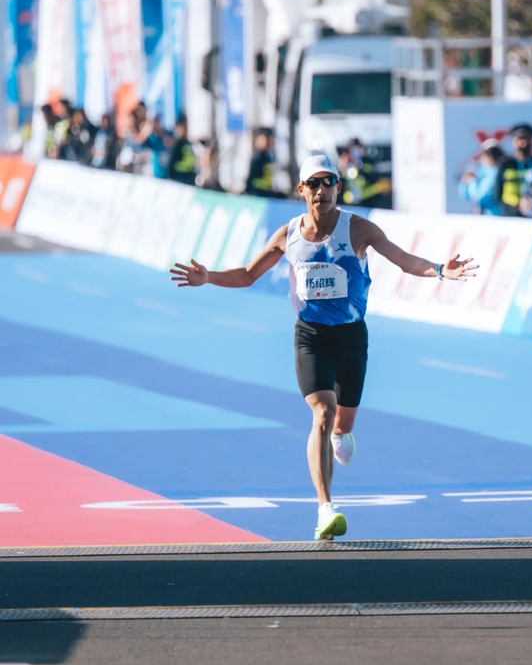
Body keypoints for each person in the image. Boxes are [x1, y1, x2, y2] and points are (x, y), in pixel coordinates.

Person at [170, 154, 478, 541]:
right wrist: (209, 277)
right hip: (311, 336)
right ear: (302, 190)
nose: (321, 190)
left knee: (342, 425)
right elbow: (248, 275)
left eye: (328, 182)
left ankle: (339, 435)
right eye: (314, 184)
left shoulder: (358, 229)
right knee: (322, 412)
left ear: (338, 188)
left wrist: (440, 270)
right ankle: (325, 508)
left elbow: (403, 260)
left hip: (351, 337)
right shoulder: (288, 236)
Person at [494, 123, 532, 216]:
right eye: (520, 139)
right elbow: (498, 194)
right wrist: (518, 203)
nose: (524, 143)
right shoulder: (505, 164)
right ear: (514, 142)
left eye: (527, 138)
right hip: (511, 215)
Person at [458, 142, 504, 215]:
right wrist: (464, 182)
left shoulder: (495, 173)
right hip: (483, 216)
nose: (482, 159)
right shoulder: (481, 172)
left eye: (485, 155)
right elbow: (466, 196)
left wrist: (471, 180)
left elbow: (481, 198)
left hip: (495, 216)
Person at [168, 115, 197, 186]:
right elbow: (170, 163)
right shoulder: (176, 144)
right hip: (178, 179)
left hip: (189, 179)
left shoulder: (189, 143)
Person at [245, 129, 276, 196]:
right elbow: (251, 176)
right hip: (256, 192)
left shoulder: (268, 156)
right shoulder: (259, 157)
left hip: (265, 193)